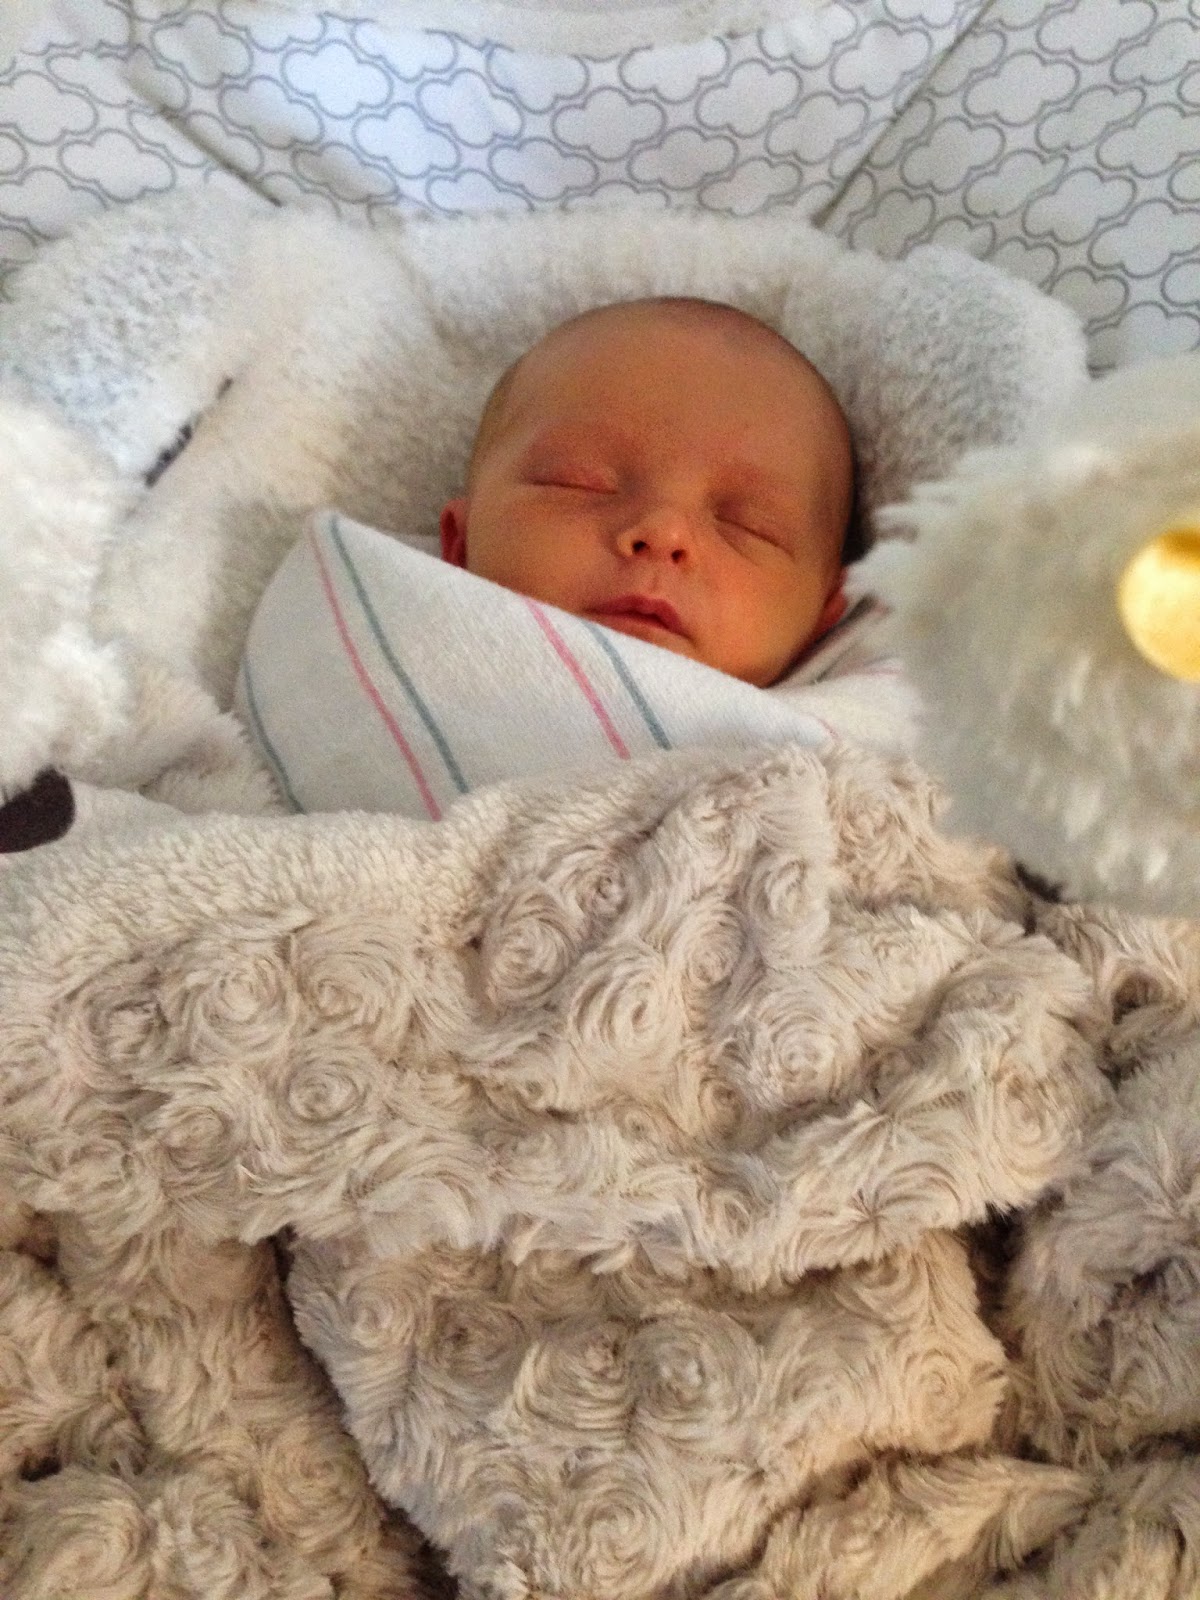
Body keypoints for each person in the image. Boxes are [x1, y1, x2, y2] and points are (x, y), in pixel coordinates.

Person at [438, 295, 856, 690]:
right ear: (461, 540)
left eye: (748, 525)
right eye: (579, 482)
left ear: (821, 619)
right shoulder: (403, 618)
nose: (664, 532)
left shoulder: (846, 718)